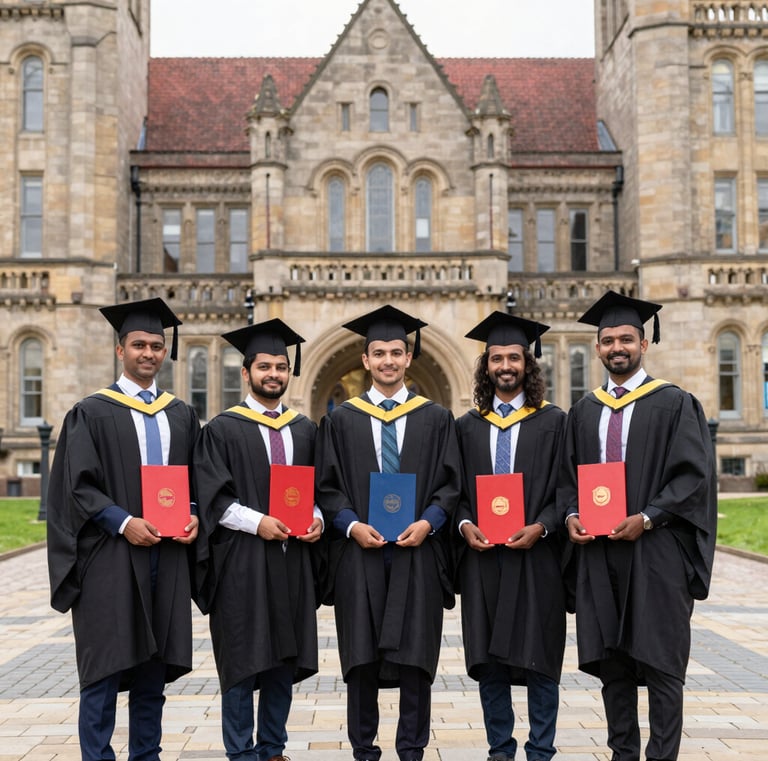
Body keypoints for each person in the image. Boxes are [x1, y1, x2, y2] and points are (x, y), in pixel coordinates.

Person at [557, 290, 717, 761]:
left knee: (663, 662)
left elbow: (693, 476)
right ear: (598, 348)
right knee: (614, 664)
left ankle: (662, 756)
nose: (616, 348)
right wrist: (571, 518)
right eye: (607, 340)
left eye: (626, 338)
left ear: (644, 345)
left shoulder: (673, 402)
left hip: (657, 550)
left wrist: (647, 517)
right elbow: (567, 480)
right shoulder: (584, 411)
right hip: (599, 553)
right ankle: (622, 753)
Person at [46, 297, 200, 761]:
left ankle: (146, 755)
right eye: (139, 345)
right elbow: (77, 485)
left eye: (156, 345)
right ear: (120, 350)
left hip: (167, 556)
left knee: (153, 672)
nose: (148, 353)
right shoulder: (91, 413)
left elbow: (197, 478)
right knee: (104, 671)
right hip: (110, 559)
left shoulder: (182, 415)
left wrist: (193, 513)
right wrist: (124, 522)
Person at [315, 305, 462, 761]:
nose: (388, 361)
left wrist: (429, 522)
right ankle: (363, 749)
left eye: (396, 353)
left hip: (417, 554)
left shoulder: (435, 419)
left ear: (407, 358)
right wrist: (352, 526)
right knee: (360, 659)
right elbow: (327, 487)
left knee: (416, 659)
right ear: (365, 360)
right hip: (360, 556)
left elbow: (450, 484)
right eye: (378, 353)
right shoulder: (341, 420)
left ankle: (412, 749)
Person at [193, 319, 322, 761]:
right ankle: (240, 751)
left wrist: (318, 518)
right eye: (264, 366)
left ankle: (272, 748)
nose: (273, 374)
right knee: (243, 661)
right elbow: (213, 498)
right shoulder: (222, 430)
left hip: (291, 561)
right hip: (242, 563)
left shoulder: (304, 429)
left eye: (281, 367)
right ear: (245, 372)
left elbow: (319, 491)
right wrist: (259, 522)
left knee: (283, 660)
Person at [455, 312, 568, 761]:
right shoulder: (466, 426)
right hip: (483, 557)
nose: (505, 365)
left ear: (528, 364)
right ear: (486, 366)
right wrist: (465, 525)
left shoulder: (555, 422)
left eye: (514, 357)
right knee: (490, 661)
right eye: (497, 357)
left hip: (536, 557)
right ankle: (499, 750)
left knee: (540, 659)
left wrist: (541, 525)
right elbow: (454, 489)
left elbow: (568, 489)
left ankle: (541, 750)